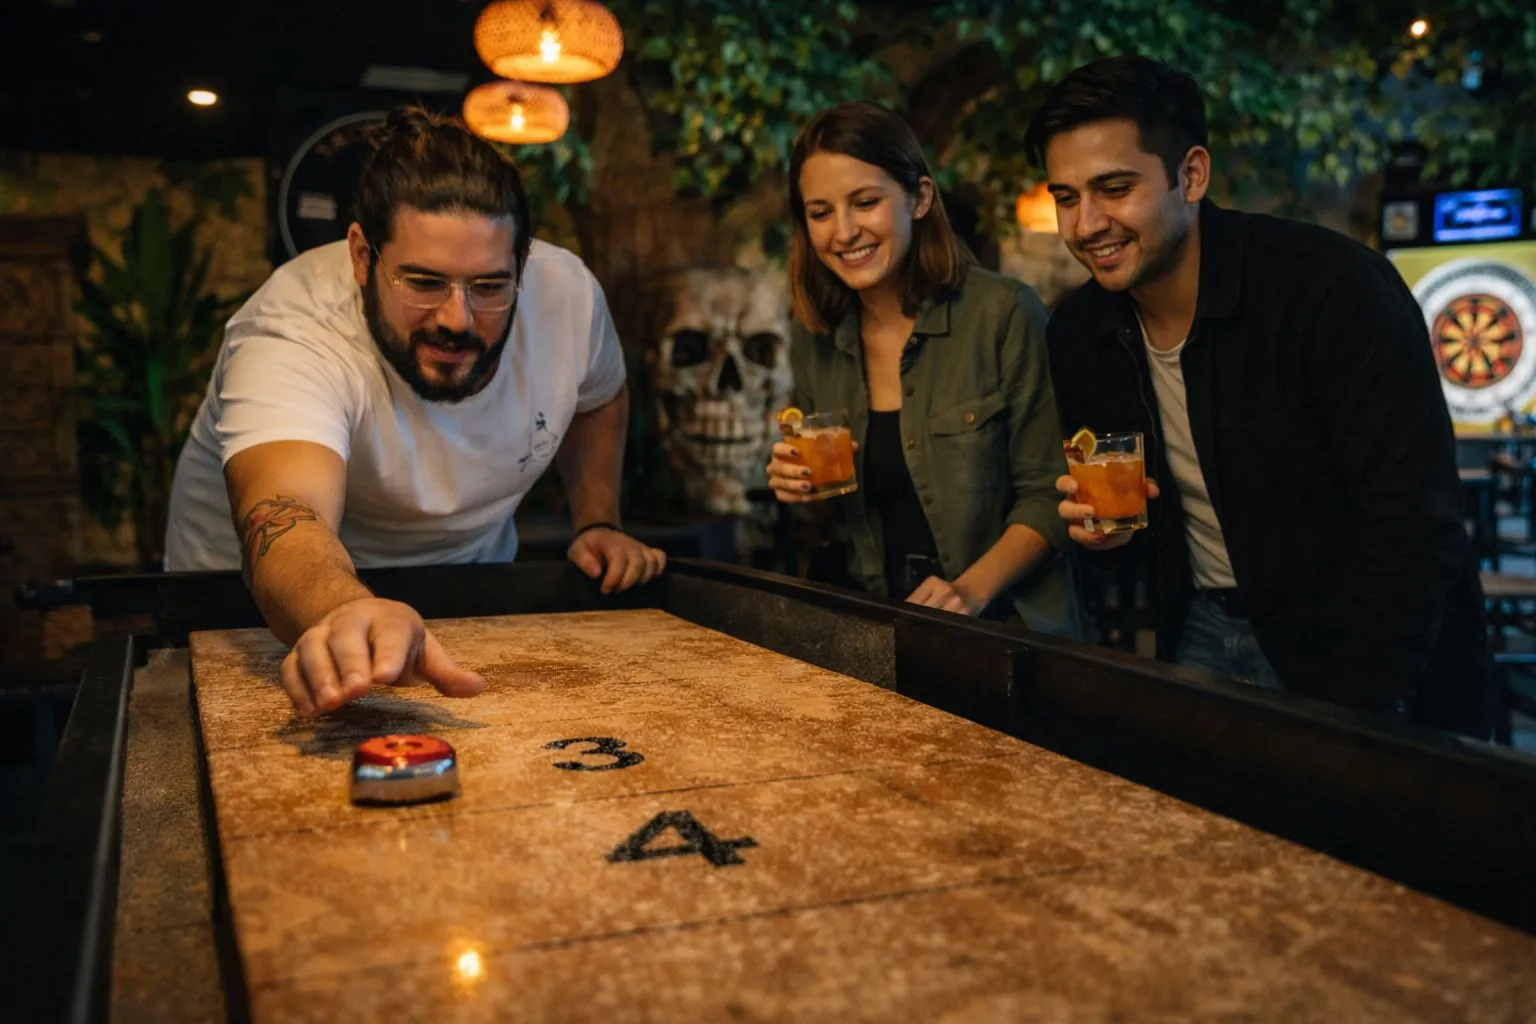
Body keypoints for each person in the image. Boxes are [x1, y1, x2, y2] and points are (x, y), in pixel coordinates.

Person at [1027, 56, 1490, 736]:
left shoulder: (1330, 290)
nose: (1085, 223)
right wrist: (1103, 533)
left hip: (1360, 640)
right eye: (1066, 197)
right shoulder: (1080, 330)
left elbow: (1416, 528)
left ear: (1191, 175)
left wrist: (1362, 715)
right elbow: (1142, 532)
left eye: (1114, 188)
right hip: (1203, 631)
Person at [164, 106, 665, 718]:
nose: (456, 319)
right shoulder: (290, 332)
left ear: (523, 263)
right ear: (360, 256)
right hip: (263, 607)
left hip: (465, 587)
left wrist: (597, 521)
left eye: (487, 287)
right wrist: (341, 610)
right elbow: (285, 512)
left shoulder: (568, 296)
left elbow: (597, 396)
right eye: (424, 283)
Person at [765, 101, 1081, 637]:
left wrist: (969, 591)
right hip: (875, 627)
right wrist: (796, 485)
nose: (843, 232)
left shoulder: (1001, 313)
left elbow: (1051, 494)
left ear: (919, 198)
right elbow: (841, 517)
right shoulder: (815, 333)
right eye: (820, 213)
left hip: (1006, 631)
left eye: (865, 202)